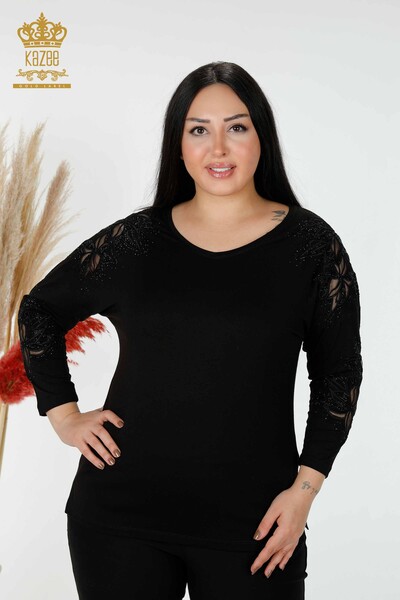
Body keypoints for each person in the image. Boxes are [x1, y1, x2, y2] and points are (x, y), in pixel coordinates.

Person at [17, 61, 363, 600]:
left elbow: (338, 374)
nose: (218, 148)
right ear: (178, 145)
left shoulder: (311, 247)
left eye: (237, 127)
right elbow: (39, 309)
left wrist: (305, 489)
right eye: (199, 129)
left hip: (257, 526)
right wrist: (63, 414)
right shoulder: (138, 241)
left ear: (262, 137)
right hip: (119, 519)